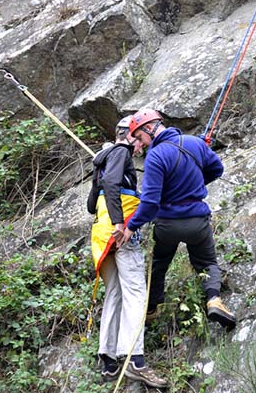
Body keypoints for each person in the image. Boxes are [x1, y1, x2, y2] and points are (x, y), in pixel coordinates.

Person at [122, 109, 236, 329]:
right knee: (207, 262)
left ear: (149, 128)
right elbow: (217, 168)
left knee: (159, 264)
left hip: (168, 224)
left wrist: (131, 226)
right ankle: (214, 299)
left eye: (139, 137)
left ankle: (152, 309)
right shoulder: (195, 143)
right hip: (197, 221)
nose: (141, 143)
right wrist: (194, 183)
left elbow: (150, 202)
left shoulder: (155, 156)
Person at [87, 115, 168, 388]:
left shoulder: (102, 158)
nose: (141, 148)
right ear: (130, 134)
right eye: (139, 139)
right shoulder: (121, 152)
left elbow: (91, 204)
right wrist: (121, 223)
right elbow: (111, 185)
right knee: (135, 292)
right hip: (119, 234)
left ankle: (109, 360)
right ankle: (135, 359)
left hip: (100, 234)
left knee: (115, 293)